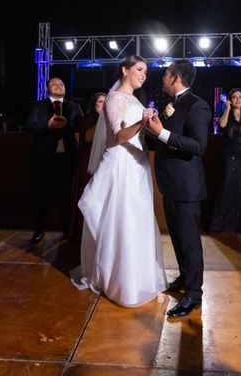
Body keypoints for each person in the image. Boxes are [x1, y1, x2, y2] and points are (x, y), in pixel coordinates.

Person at [71, 56, 166, 307]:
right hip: (121, 165)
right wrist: (141, 122)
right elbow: (120, 135)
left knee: (138, 218)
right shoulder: (114, 99)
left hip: (137, 164)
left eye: (146, 71)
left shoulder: (135, 99)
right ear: (125, 70)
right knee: (122, 219)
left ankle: (138, 277)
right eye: (139, 69)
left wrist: (153, 126)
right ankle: (120, 282)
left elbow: (138, 134)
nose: (144, 74)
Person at [147, 60, 211, 318]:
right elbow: (164, 140)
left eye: (165, 74)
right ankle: (185, 277)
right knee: (177, 237)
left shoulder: (198, 105)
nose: (162, 77)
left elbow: (198, 146)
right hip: (171, 184)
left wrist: (161, 132)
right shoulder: (172, 105)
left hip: (187, 187)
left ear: (175, 78)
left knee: (189, 242)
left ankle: (194, 294)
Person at [26, 77, 83, 244]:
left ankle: (69, 230)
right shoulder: (38, 106)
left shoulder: (74, 107)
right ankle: (39, 230)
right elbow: (30, 126)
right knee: (42, 195)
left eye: (61, 84)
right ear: (46, 88)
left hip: (68, 158)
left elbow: (81, 127)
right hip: (44, 158)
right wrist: (47, 125)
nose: (58, 86)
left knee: (67, 196)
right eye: (54, 84)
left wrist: (66, 125)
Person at [209, 89, 241, 232]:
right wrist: (228, 108)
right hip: (230, 156)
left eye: (240, 97)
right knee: (228, 187)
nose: (237, 99)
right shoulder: (227, 115)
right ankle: (224, 224)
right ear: (230, 100)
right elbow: (221, 125)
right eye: (234, 97)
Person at [67, 92, 107, 243]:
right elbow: (88, 137)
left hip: (103, 163)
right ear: (94, 104)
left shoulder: (109, 119)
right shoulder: (88, 118)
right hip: (87, 164)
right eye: (100, 102)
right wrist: (103, 119)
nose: (103, 105)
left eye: (106, 102)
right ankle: (82, 232)